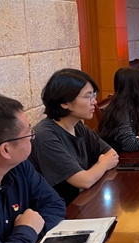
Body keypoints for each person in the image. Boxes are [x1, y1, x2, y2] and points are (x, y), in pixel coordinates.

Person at [0, 94, 65, 243]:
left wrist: (22, 240)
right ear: (6, 150)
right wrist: (27, 229)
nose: (32, 137)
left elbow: (54, 204)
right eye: (28, 133)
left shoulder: (19, 167)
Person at [29, 69, 120, 206]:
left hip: (80, 202)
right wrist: (103, 164)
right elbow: (84, 181)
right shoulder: (45, 136)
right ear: (65, 102)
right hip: (58, 210)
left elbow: (111, 154)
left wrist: (97, 169)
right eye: (88, 96)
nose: (94, 102)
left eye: (94, 95)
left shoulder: (77, 125)